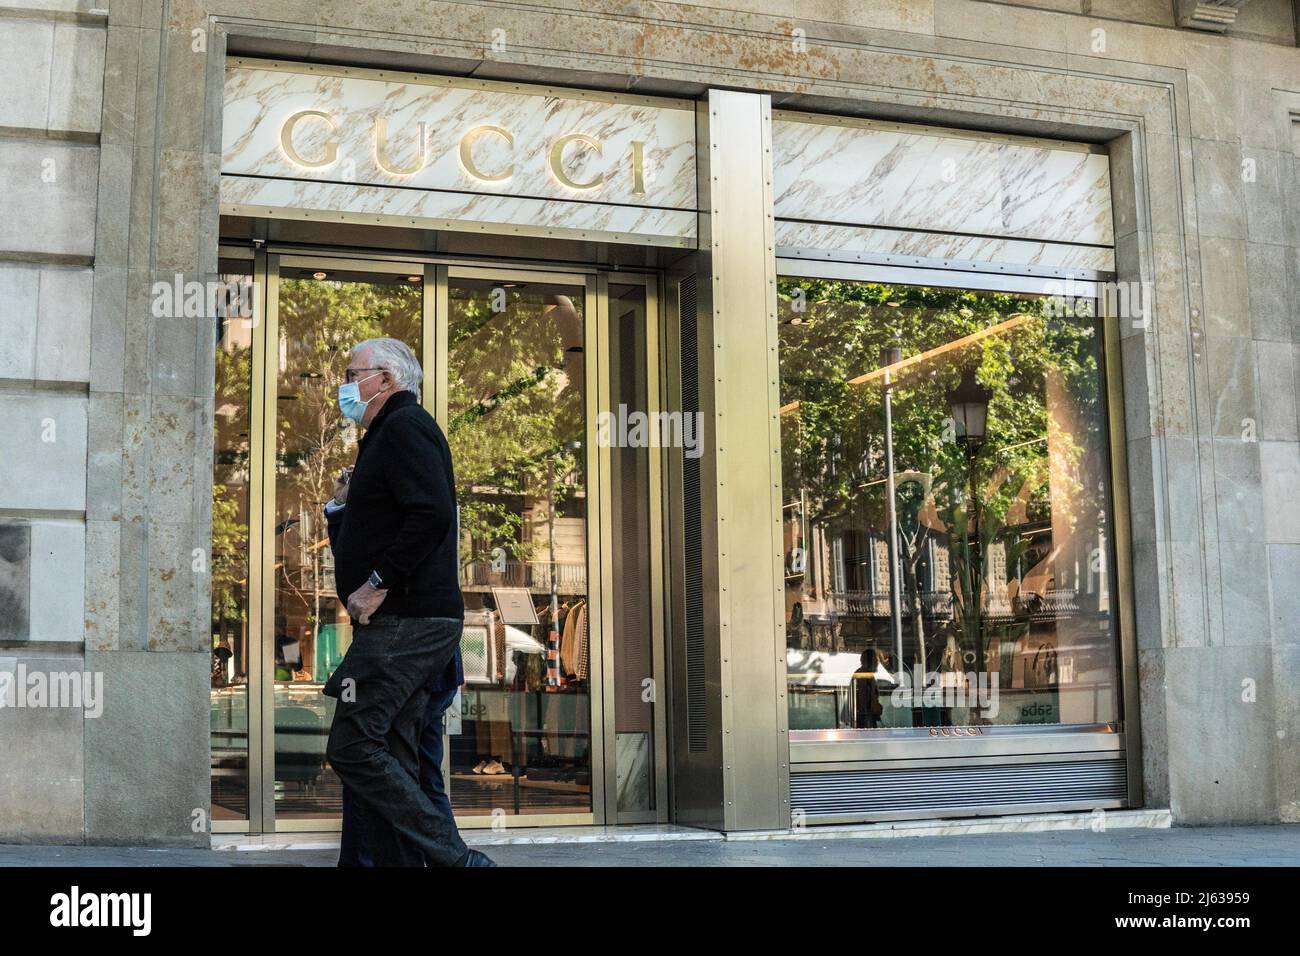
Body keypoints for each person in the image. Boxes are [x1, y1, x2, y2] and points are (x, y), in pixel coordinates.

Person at [321, 336, 494, 867]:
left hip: (409, 621)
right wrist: (342, 507)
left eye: (353, 375)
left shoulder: (404, 427)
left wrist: (376, 582)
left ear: (387, 380)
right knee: (392, 749)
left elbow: (432, 514)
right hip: (406, 621)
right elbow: (394, 519)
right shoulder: (386, 433)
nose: (345, 386)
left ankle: (457, 862)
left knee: (352, 745)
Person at [325, 467, 465, 866]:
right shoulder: (387, 507)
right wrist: (341, 504)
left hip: (423, 665)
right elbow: (352, 557)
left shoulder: (423, 507)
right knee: (375, 766)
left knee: (411, 772)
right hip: (390, 661)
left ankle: (451, 860)